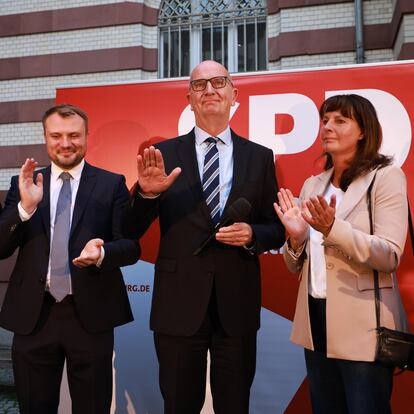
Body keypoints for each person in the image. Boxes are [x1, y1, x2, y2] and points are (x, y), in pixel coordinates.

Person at [124, 60, 285, 413]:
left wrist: (252, 234)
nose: (209, 90)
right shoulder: (163, 155)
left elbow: (277, 230)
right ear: (189, 99)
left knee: (234, 405)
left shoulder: (260, 157)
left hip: (237, 305)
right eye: (199, 85)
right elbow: (129, 229)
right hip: (177, 306)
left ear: (233, 94)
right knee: (180, 404)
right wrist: (148, 195)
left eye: (218, 82)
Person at [0, 104, 140, 414]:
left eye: (74, 135)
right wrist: (24, 210)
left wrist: (103, 253)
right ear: (45, 137)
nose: (65, 143)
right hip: (34, 316)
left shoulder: (111, 184)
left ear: (87, 136)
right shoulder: (23, 184)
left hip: (90, 315)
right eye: (57, 135)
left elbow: (131, 247)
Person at [274, 94, 408, 414]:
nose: (327, 127)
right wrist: (294, 241)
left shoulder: (385, 176)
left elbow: (389, 255)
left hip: (364, 328)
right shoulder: (312, 185)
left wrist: (332, 228)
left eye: (340, 120)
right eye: (325, 120)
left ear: (363, 131)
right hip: (316, 323)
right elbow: (297, 267)